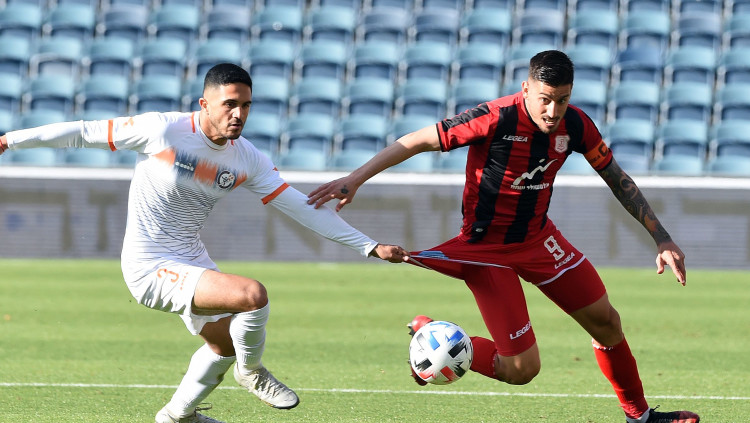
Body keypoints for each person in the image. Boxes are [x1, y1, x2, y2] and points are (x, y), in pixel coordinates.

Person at [0, 63, 409, 423]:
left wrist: (370, 246)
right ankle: (252, 372)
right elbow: (83, 133)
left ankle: (178, 415)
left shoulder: (247, 157)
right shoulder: (162, 130)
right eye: (230, 104)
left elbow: (301, 208)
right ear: (204, 104)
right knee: (252, 296)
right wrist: (8, 141)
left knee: (224, 343)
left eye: (246, 105)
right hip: (148, 266)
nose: (239, 114)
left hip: (191, 258)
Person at [307, 50, 700, 423]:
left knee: (607, 323)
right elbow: (418, 139)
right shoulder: (495, 118)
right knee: (521, 370)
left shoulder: (577, 125)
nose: (553, 111)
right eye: (545, 99)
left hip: (539, 240)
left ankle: (639, 416)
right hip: (486, 251)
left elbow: (616, 178)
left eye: (562, 100)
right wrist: (355, 178)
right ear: (526, 89)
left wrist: (661, 239)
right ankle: (433, 337)